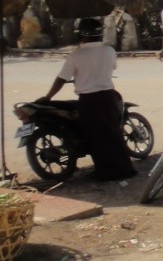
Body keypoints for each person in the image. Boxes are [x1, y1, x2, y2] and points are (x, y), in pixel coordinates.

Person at [37, 18, 137, 181]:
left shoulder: (76, 55)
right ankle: (124, 168)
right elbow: (111, 68)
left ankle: (105, 171)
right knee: (114, 133)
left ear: (81, 35)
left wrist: (48, 96)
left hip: (89, 101)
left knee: (95, 136)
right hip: (108, 97)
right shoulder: (109, 51)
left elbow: (62, 78)